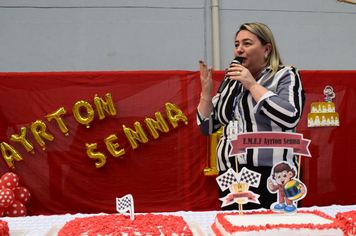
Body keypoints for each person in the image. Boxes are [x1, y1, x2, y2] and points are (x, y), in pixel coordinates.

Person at [196, 22, 306, 210]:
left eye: (247, 44)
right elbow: (207, 128)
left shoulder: (285, 74)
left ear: (267, 48)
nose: (239, 50)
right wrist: (206, 95)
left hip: (275, 174)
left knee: (273, 229)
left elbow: (290, 116)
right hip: (232, 173)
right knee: (234, 228)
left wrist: (252, 85)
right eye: (237, 44)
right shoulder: (232, 82)